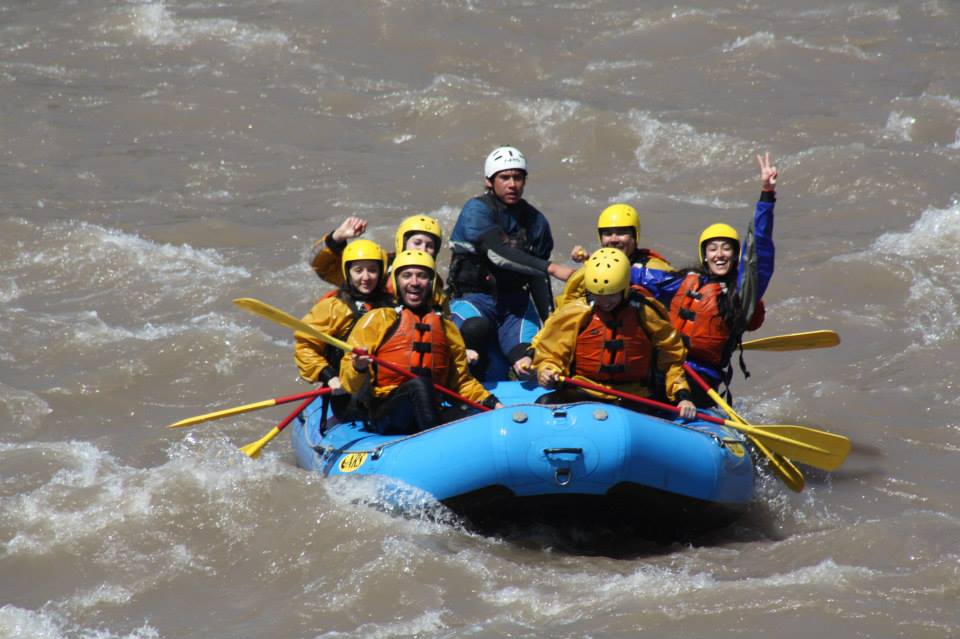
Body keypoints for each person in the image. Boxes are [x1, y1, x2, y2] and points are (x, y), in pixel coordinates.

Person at [636, 153, 778, 405]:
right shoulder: (687, 280)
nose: (719, 255)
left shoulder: (740, 295)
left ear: (735, 256)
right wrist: (601, 264)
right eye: (713, 249)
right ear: (704, 255)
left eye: (726, 249)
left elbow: (759, 254)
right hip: (667, 365)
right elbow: (645, 278)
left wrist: (766, 195)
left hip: (701, 378)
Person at [447, 145, 575, 381]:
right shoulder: (475, 210)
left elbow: (537, 277)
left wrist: (549, 324)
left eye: (518, 177)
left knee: (529, 356)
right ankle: (468, 376)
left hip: (515, 304)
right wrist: (553, 267)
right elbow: (498, 254)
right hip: (473, 299)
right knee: (476, 328)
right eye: (504, 177)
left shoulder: (537, 221)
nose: (512, 184)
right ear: (489, 181)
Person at [340, 250, 503, 435]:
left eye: (422, 276)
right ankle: (434, 442)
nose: (414, 282)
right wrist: (358, 367)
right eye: (407, 276)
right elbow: (350, 384)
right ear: (396, 282)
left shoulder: (446, 328)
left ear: (431, 283)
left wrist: (491, 403)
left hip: (429, 411)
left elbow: (461, 382)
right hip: (388, 413)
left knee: (469, 414)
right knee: (419, 385)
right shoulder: (378, 319)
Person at [532, 248, 697, 418]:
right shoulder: (577, 312)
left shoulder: (645, 312)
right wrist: (547, 370)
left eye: (611, 295)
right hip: (584, 389)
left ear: (624, 287)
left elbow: (671, 356)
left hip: (632, 394)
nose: (604, 302)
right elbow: (552, 353)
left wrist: (681, 395)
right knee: (545, 403)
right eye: (598, 295)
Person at [294, 239, 394, 418]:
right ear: (348, 273)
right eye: (358, 270)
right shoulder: (334, 307)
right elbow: (305, 346)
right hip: (346, 391)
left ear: (381, 272)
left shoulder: (393, 305)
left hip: (385, 388)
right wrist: (329, 376)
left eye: (372, 270)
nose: (366, 277)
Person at [309, 214, 448, 310]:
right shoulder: (375, 266)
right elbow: (320, 266)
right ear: (403, 242)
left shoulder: (433, 282)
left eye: (429, 246)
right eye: (417, 243)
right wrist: (337, 238)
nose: (423, 249)